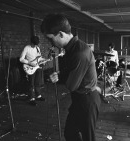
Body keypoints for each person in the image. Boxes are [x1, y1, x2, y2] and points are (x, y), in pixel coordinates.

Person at [41, 13, 101, 141]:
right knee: (70, 133)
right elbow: (69, 74)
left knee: (88, 138)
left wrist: (61, 76)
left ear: (61, 34)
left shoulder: (79, 53)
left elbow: (71, 85)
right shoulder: (71, 49)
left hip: (87, 101)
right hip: (79, 99)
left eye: (51, 39)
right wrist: (59, 75)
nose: (51, 44)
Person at [19, 36, 45, 106]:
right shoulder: (26, 48)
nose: (35, 46)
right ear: (31, 42)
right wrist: (29, 63)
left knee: (37, 82)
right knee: (31, 84)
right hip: (30, 68)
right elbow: (21, 59)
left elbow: (39, 57)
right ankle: (32, 99)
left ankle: (38, 96)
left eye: (36, 44)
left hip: (37, 67)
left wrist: (43, 60)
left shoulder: (37, 48)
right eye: (34, 44)